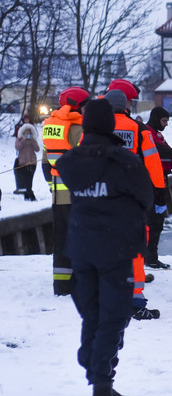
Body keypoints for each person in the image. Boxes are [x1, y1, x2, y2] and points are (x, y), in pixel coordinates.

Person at [57, 98, 153, 396]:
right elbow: (145, 197)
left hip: (81, 247)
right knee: (113, 315)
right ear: (110, 125)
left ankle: (94, 365)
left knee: (93, 312)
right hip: (115, 248)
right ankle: (101, 388)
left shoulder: (70, 161)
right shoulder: (123, 161)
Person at [104, 86, 164, 320]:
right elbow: (153, 164)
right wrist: (159, 195)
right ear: (126, 106)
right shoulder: (138, 129)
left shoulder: (96, 130)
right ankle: (135, 301)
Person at [42, 87, 90, 295]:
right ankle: (81, 283)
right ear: (77, 105)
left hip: (57, 194)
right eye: (85, 105)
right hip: (77, 194)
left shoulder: (49, 126)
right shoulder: (78, 128)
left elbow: (46, 163)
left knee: (60, 239)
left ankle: (61, 285)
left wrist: (53, 185)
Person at [144, 106, 172, 269]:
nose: (166, 124)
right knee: (154, 221)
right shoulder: (149, 135)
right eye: (164, 120)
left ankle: (151, 256)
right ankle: (150, 257)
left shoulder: (156, 135)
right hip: (153, 185)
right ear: (155, 118)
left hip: (159, 183)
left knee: (157, 221)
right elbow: (163, 152)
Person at [14, 120, 39, 201]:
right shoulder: (19, 139)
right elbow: (17, 147)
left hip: (32, 163)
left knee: (30, 180)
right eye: (26, 132)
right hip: (23, 163)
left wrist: (32, 141)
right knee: (25, 180)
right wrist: (23, 140)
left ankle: (29, 195)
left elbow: (37, 149)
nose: (28, 134)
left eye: (29, 132)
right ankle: (29, 196)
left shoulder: (32, 140)